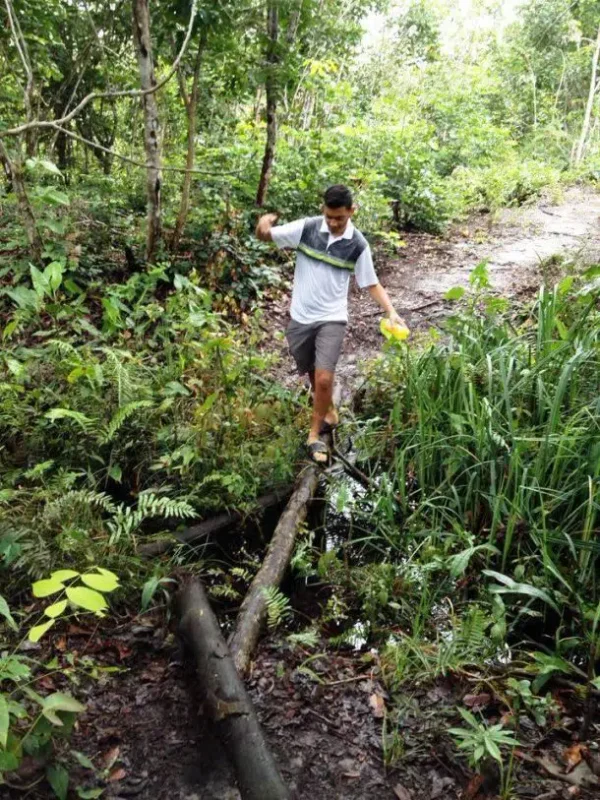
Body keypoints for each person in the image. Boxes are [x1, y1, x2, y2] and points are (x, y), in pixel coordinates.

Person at [256, 183, 405, 464]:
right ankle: (330, 408)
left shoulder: (358, 245)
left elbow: (371, 282)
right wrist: (262, 225)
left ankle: (314, 436)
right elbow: (265, 236)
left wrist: (391, 311)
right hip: (300, 316)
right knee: (313, 373)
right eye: (329, 217)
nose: (334, 223)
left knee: (324, 377)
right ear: (323, 211)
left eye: (340, 217)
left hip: (332, 318)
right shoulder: (308, 228)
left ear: (352, 211)